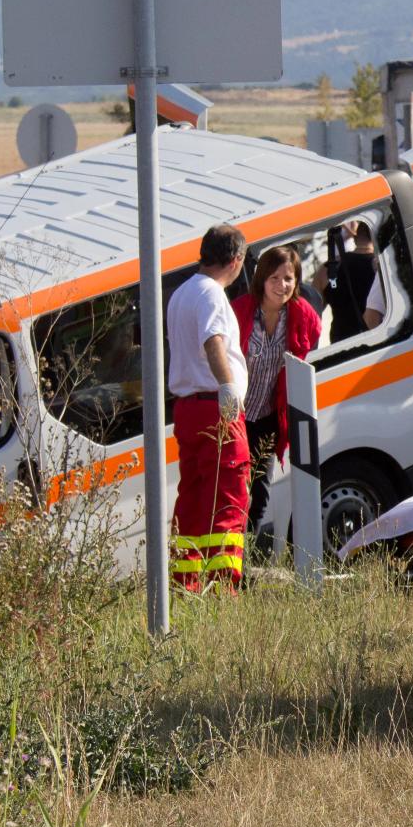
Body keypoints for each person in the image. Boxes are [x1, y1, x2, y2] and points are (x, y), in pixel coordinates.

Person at [165, 224, 251, 592]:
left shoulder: (181, 294)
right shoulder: (212, 295)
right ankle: (223, 587)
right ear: (235, 261)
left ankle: (185, 583)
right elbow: (213, 341)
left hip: (187, 409)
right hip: (216, 408)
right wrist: (228, 387)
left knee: (195, 498)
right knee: (230, 495)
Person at [232, 245, 323, 533]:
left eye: (288, 278)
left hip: (269, 418)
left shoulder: (302, 316)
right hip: (235, 416)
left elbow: (312, 346)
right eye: (274, 278)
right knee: (233, 492)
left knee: (259, 494)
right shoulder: (240, 311)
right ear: (261, 279)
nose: (281, 285)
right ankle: (228, 561)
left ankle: (245, 561)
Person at [328, 220, 379, 344]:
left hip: (340, 343)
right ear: (375, 237)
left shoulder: (329, 269)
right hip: (372, 340)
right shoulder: (379, 267)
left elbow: (313, 311)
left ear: (355, 238)